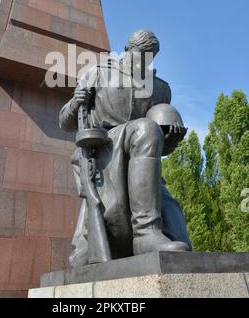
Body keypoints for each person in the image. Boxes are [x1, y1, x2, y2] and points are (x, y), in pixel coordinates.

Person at [60, 30, 191, 266]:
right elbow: (66, 122)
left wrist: (170, 139)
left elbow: (155, 147)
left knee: (173, 216)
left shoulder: (160, 89)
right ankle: (145, 234)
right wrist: (75, 103)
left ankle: (152, 233)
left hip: (139, 161)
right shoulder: (99, 73)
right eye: (141, 55)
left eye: (149, 57)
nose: (144, 61)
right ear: (128, 49)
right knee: (146, 128)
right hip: (105, 151)